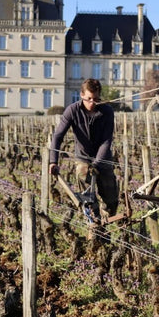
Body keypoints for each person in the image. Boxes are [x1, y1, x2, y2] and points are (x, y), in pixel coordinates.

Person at [49, 78, 119, 222]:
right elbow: (58, 136)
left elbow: (107, 140)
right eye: (89, 99)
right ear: (81, 95)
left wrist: (98, 163)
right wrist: (53, 161)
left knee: (111, 200)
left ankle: (105, 225)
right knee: (88, 199)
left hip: (103, 158)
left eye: (95, 99)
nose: (92, 103)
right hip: (83, 158)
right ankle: (93, 227)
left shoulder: (107, 111)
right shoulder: (72, 110)